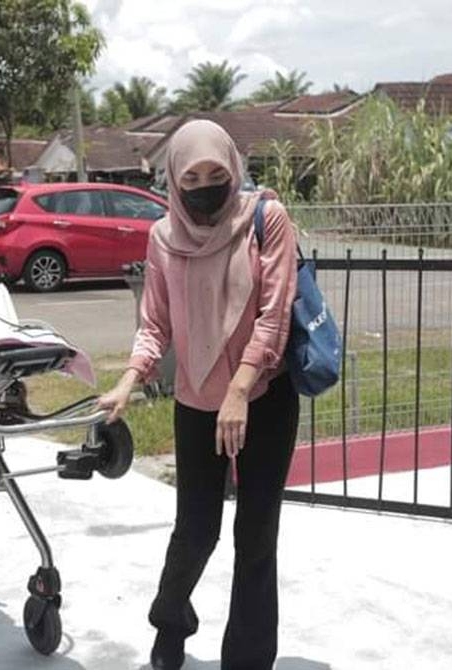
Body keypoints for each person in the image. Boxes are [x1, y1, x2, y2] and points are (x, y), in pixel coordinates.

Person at [97, 120, 300, 670]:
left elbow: (274, 315)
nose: (206, 185)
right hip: (195, 401)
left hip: (263, 398)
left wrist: (239, 390)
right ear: (174, 178)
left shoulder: (267, 220)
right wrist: (129, 380)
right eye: (193, 175)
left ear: (233, 169)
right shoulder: (162, 237)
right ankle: (170, 623)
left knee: (256, 537)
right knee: (195, 530)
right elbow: (155, 325)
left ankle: (248, 660)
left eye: (217, 173)